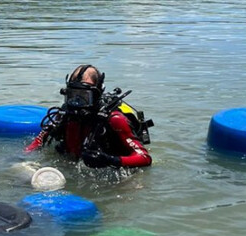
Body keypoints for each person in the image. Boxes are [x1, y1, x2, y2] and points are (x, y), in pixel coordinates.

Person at [25, 65, 153, 168]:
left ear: (97, 94)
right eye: (73, 94)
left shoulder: (114, 120)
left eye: (84, 96)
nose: (77, 102)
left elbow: (145, 158)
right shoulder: (64, 114)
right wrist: (24, 160)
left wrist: (109, 160)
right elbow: (39, 140)